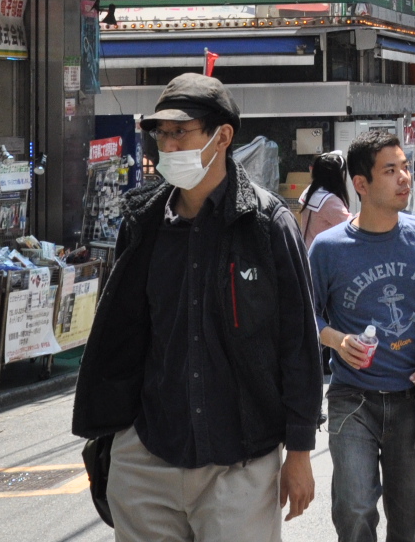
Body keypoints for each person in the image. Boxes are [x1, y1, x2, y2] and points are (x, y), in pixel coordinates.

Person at [72, 73, 320, 539]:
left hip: (241, 461)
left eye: (180, 132)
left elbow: (299, 344)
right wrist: (115, 437)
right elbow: (123, 333)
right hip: (148, 455)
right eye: (161, 134)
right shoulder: (143, 223)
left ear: (221, 137)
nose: (167, 146)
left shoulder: (267, 225)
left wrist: (300, 452)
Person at [309, 130, 415, 542]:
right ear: (361, 184)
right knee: (354, 508)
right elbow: (303, 315)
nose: (404, 178)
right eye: (389, 170)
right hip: (352, 397)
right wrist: (336, 340)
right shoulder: (328, 248)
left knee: (409, 517)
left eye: (404, 167)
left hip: (414, 399)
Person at [300, 152, 353, 248]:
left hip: (307, 251)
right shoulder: (329, 201)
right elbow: (352, 227)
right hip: (324, 254)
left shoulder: (310, 191)